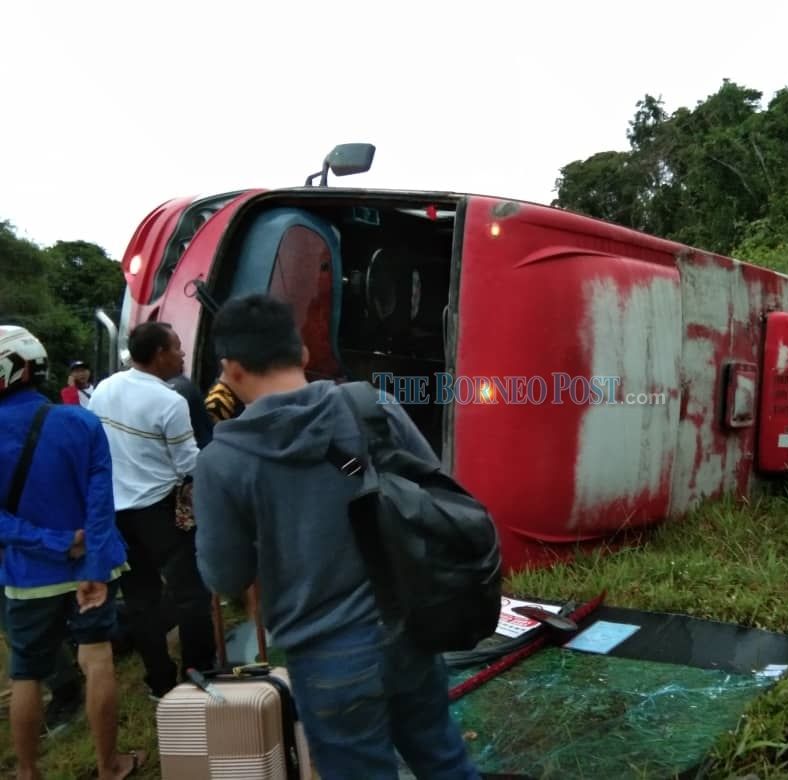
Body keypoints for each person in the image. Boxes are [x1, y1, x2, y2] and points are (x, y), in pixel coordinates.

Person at [192, 294, 479, 780]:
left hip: (327, 660)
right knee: (444, 761)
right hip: (410, 628)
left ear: (231, 370)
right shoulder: (373, 406)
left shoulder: (221, 464)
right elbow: (435, 495)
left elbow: (224, 574)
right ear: (303, 352)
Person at [0, 325, 143, 780]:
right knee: (96, 659)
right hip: (90, 568)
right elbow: (100, 504)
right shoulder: (80, 421)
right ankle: (110, 766)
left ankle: (26, 772)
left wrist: (51, 544)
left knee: (26, 674)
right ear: (34, 366)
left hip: (27, 576)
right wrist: (90, 560)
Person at [87, 322, 216, 700]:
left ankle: (160, 682)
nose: (182, 355)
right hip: (160, 511)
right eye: (177, 348)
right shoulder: (169, 401)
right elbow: (187, 464)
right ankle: (199, 672)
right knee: (191, 595)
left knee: (141, 600)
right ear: (160, 353)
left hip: (117, 515)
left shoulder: (105, 388)